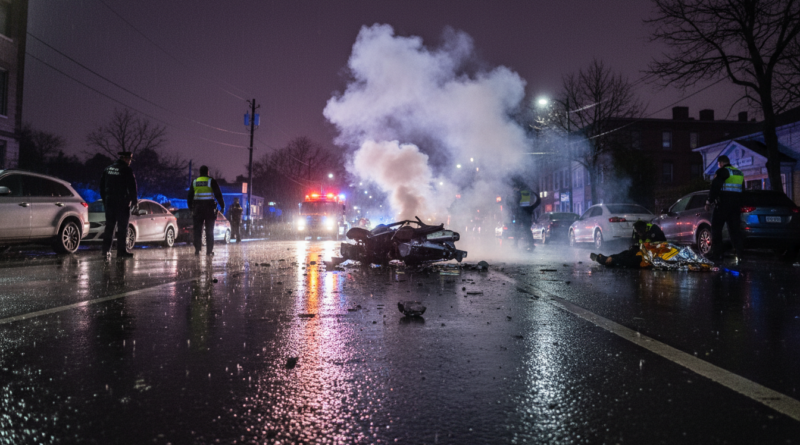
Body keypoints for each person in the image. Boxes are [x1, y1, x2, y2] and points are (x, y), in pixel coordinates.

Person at [705, 155, 744, 263]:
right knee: (735, 231)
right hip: (735, 207)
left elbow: (715, 187)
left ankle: (717, 255)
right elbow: (742, 190)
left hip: (723, 205)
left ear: (721, 163)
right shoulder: (739, 173)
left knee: (716, 230)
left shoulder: (722, 171)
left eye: (718, 164)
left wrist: (709, 201)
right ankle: (740, 255)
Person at [99, 151, 138, 258]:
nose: (130, 162)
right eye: (129, 159)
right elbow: (132, 187)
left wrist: (105, 200)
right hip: (122, 203)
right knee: (122, 228)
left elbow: (102, 186)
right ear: (125, 158)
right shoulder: (127, 170)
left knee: (109, 227)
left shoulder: (108, 169)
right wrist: (134, 201)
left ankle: (106, 250)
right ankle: (121, 251)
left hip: (110, 202)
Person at [590, 220, 666, 268]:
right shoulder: (636, 231)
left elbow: (663, 244)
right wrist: (634, 248)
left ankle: (610, 260)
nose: (638, 234)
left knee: (629, 261)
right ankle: (608, 258)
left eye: (639, 232)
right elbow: (633, 243)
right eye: (637, 232)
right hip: (641, 251)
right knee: (626, 253)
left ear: (643, 229)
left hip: (650, 255)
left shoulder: (654, 229)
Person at [188, 166, 225, 256]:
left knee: (197, 230)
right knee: (209, 230)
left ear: (200, 172)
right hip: (209, 209)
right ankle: (209, 251)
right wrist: (222, 206)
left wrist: (191, 208)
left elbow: (189, 196)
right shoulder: (211, 181)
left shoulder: (195, 182)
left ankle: (197, 249)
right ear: (207, 172)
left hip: (198, 209)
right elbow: (218, 194)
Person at [509, 179, 541, 250]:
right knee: (527, 229)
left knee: (517, 229)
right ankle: (531, 244)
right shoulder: (529, 193)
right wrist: (532, 207)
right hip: (528, 213)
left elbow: (515, 202)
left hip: (520, 213)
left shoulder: (518, 193)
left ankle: (515, 244)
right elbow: (538, 200)